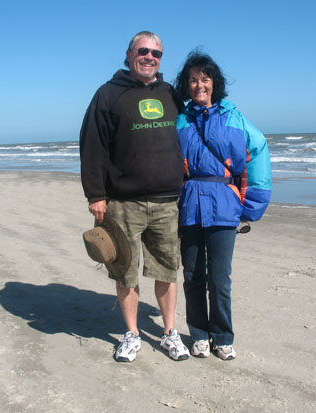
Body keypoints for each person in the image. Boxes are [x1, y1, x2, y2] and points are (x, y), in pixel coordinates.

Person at [79, 31, 190, 362]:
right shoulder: (108, 94)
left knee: (167, 270)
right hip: (123, 203)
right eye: (143, 51)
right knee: (125, 271)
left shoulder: (170, 94)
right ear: (129, 54)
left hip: (167, 202)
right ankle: (131, 334)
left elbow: (191, 129)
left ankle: (170, 333)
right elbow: (92, 146)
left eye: (156, 53)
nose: (149, 57)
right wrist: (96, 194)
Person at [173, 51, 272, 360]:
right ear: (186, 86)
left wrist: (252, 204)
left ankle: (223, 336)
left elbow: (258, 150)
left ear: (215, 83)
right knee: (192, 275)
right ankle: (199, 334)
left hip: (224, 205)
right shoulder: (180, 120)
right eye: (193, 80)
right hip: (189, 205)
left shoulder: (234, 117)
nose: (199, 85)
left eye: (205, 79)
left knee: (220, 278)